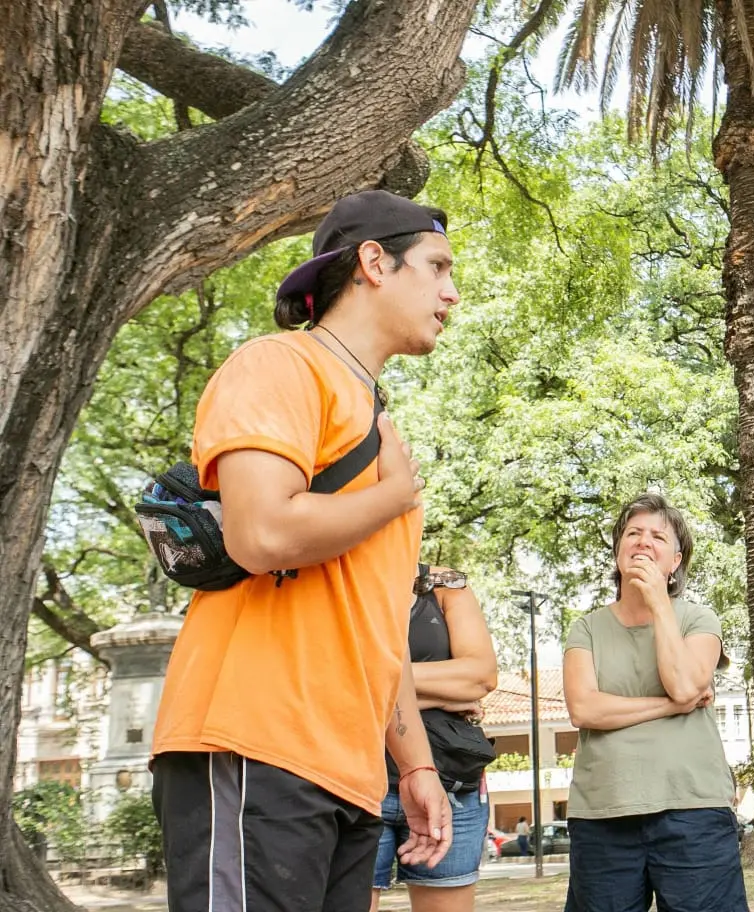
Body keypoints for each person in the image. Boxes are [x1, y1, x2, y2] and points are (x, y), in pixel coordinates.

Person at [151, 189, 459, 912]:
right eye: (438, 267)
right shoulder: (280, 366)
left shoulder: (378, 422)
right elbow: (260, 534)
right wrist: (394, 496)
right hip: (253, 744)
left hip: (349, 773)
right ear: (375, 263)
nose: (451, 293)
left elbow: (378, 623)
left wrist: (416, 765)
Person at [561, 493, 746, 912]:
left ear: (675, 561)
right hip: (602, 813)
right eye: (633, 533)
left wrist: (660, 603)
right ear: (618, 550)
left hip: (693, 809)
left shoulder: (698, 619)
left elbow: (683, 685)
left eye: (658, 537)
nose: (643, 542)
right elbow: (584, 709)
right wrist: (670, 707)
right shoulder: (586, 629)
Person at [371, 564, 499, 912]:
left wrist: (383, 684)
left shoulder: (445, 583)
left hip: (450, 784)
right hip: (360, 785)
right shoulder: (340, 580)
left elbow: (482, 676)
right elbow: (336, 685)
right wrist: (445, 696)